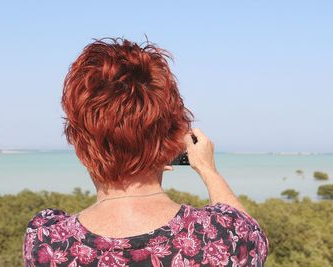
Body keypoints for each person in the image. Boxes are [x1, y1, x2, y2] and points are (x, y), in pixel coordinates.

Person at [23, 37, 269, 267]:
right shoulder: (224, 238)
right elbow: (249, 232)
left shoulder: (46, 241)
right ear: (171, 139)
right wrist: (207, 169)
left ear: (79, 143)